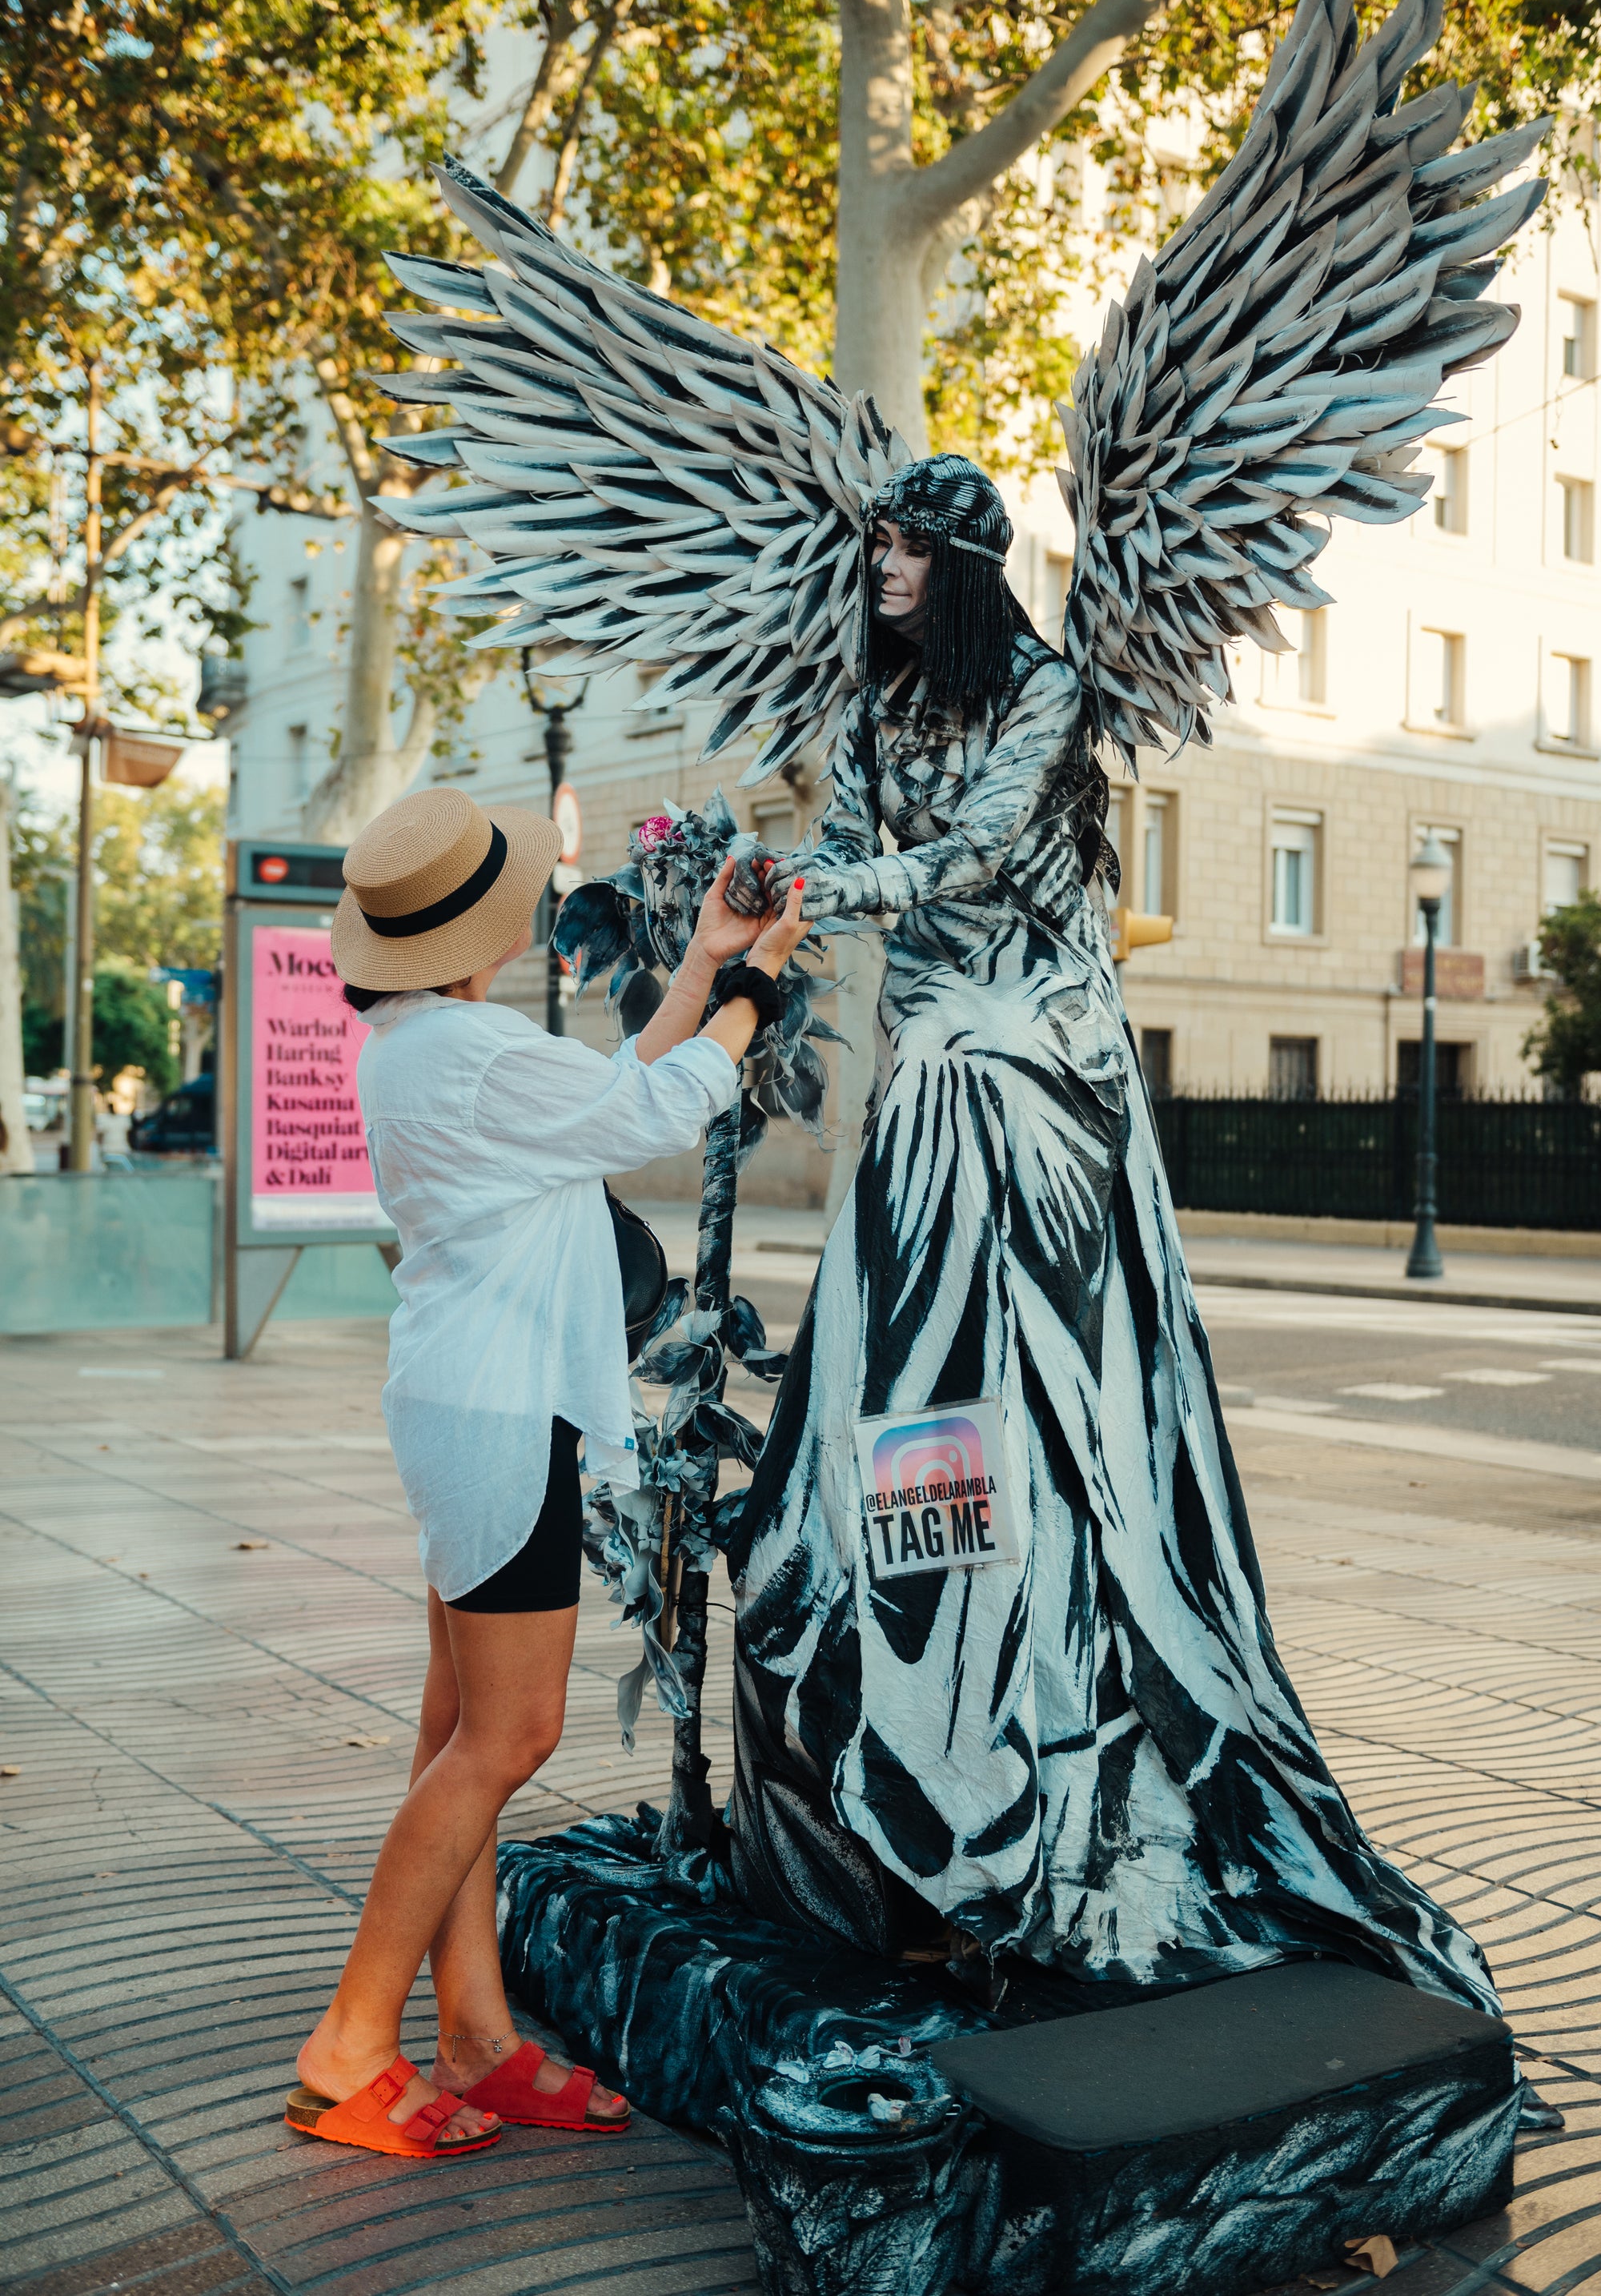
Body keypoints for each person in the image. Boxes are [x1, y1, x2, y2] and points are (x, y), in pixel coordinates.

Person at [724, 454, 1499, 2017]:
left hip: (1046, 1097)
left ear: (958, 562)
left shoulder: (1044, 687)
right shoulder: (867, 707)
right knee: (912, 1426)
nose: (874, 564)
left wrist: (831, 881)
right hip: (929, 1090)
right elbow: (880, 867)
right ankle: (928, 1792)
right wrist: (797, 910)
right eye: (870, 540)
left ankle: (1059, 1787)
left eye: (899, 544)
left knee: (1067, 1451)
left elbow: (979, 857)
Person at [287, 785, 804, 2160]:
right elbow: (659, 1111)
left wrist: (701, 959)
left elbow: (607, 1095)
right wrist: (754, 990)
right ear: (483, 927)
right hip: (501, 1414)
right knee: (510, 1740)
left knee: (458, 1730)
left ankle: (476, 2034)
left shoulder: (423, 1042)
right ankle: (349, 2044)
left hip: (472, 1401)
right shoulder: (469, 1045)